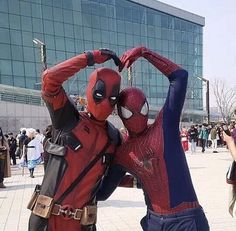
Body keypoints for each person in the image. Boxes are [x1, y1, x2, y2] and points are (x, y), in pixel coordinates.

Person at [97, 47, 209, 231]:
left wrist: (144, 52)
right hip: (166, 220)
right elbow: (103, 191)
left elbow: (181, 76)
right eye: (129, 111)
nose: (136, 116)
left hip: (181, 220)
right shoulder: (161, 130)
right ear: (122, 114)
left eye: (141, 109)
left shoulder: (161, 130)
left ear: (147, 108)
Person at [28, 49, 122, 231]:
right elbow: (50, 79)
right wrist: (89, 58)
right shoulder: (68, 119)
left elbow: (113, 176)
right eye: (99, 95)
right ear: (90, 90)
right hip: (47, 222)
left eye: (112, 98)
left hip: (82, 225)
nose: (104, 103)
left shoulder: (113, 138)